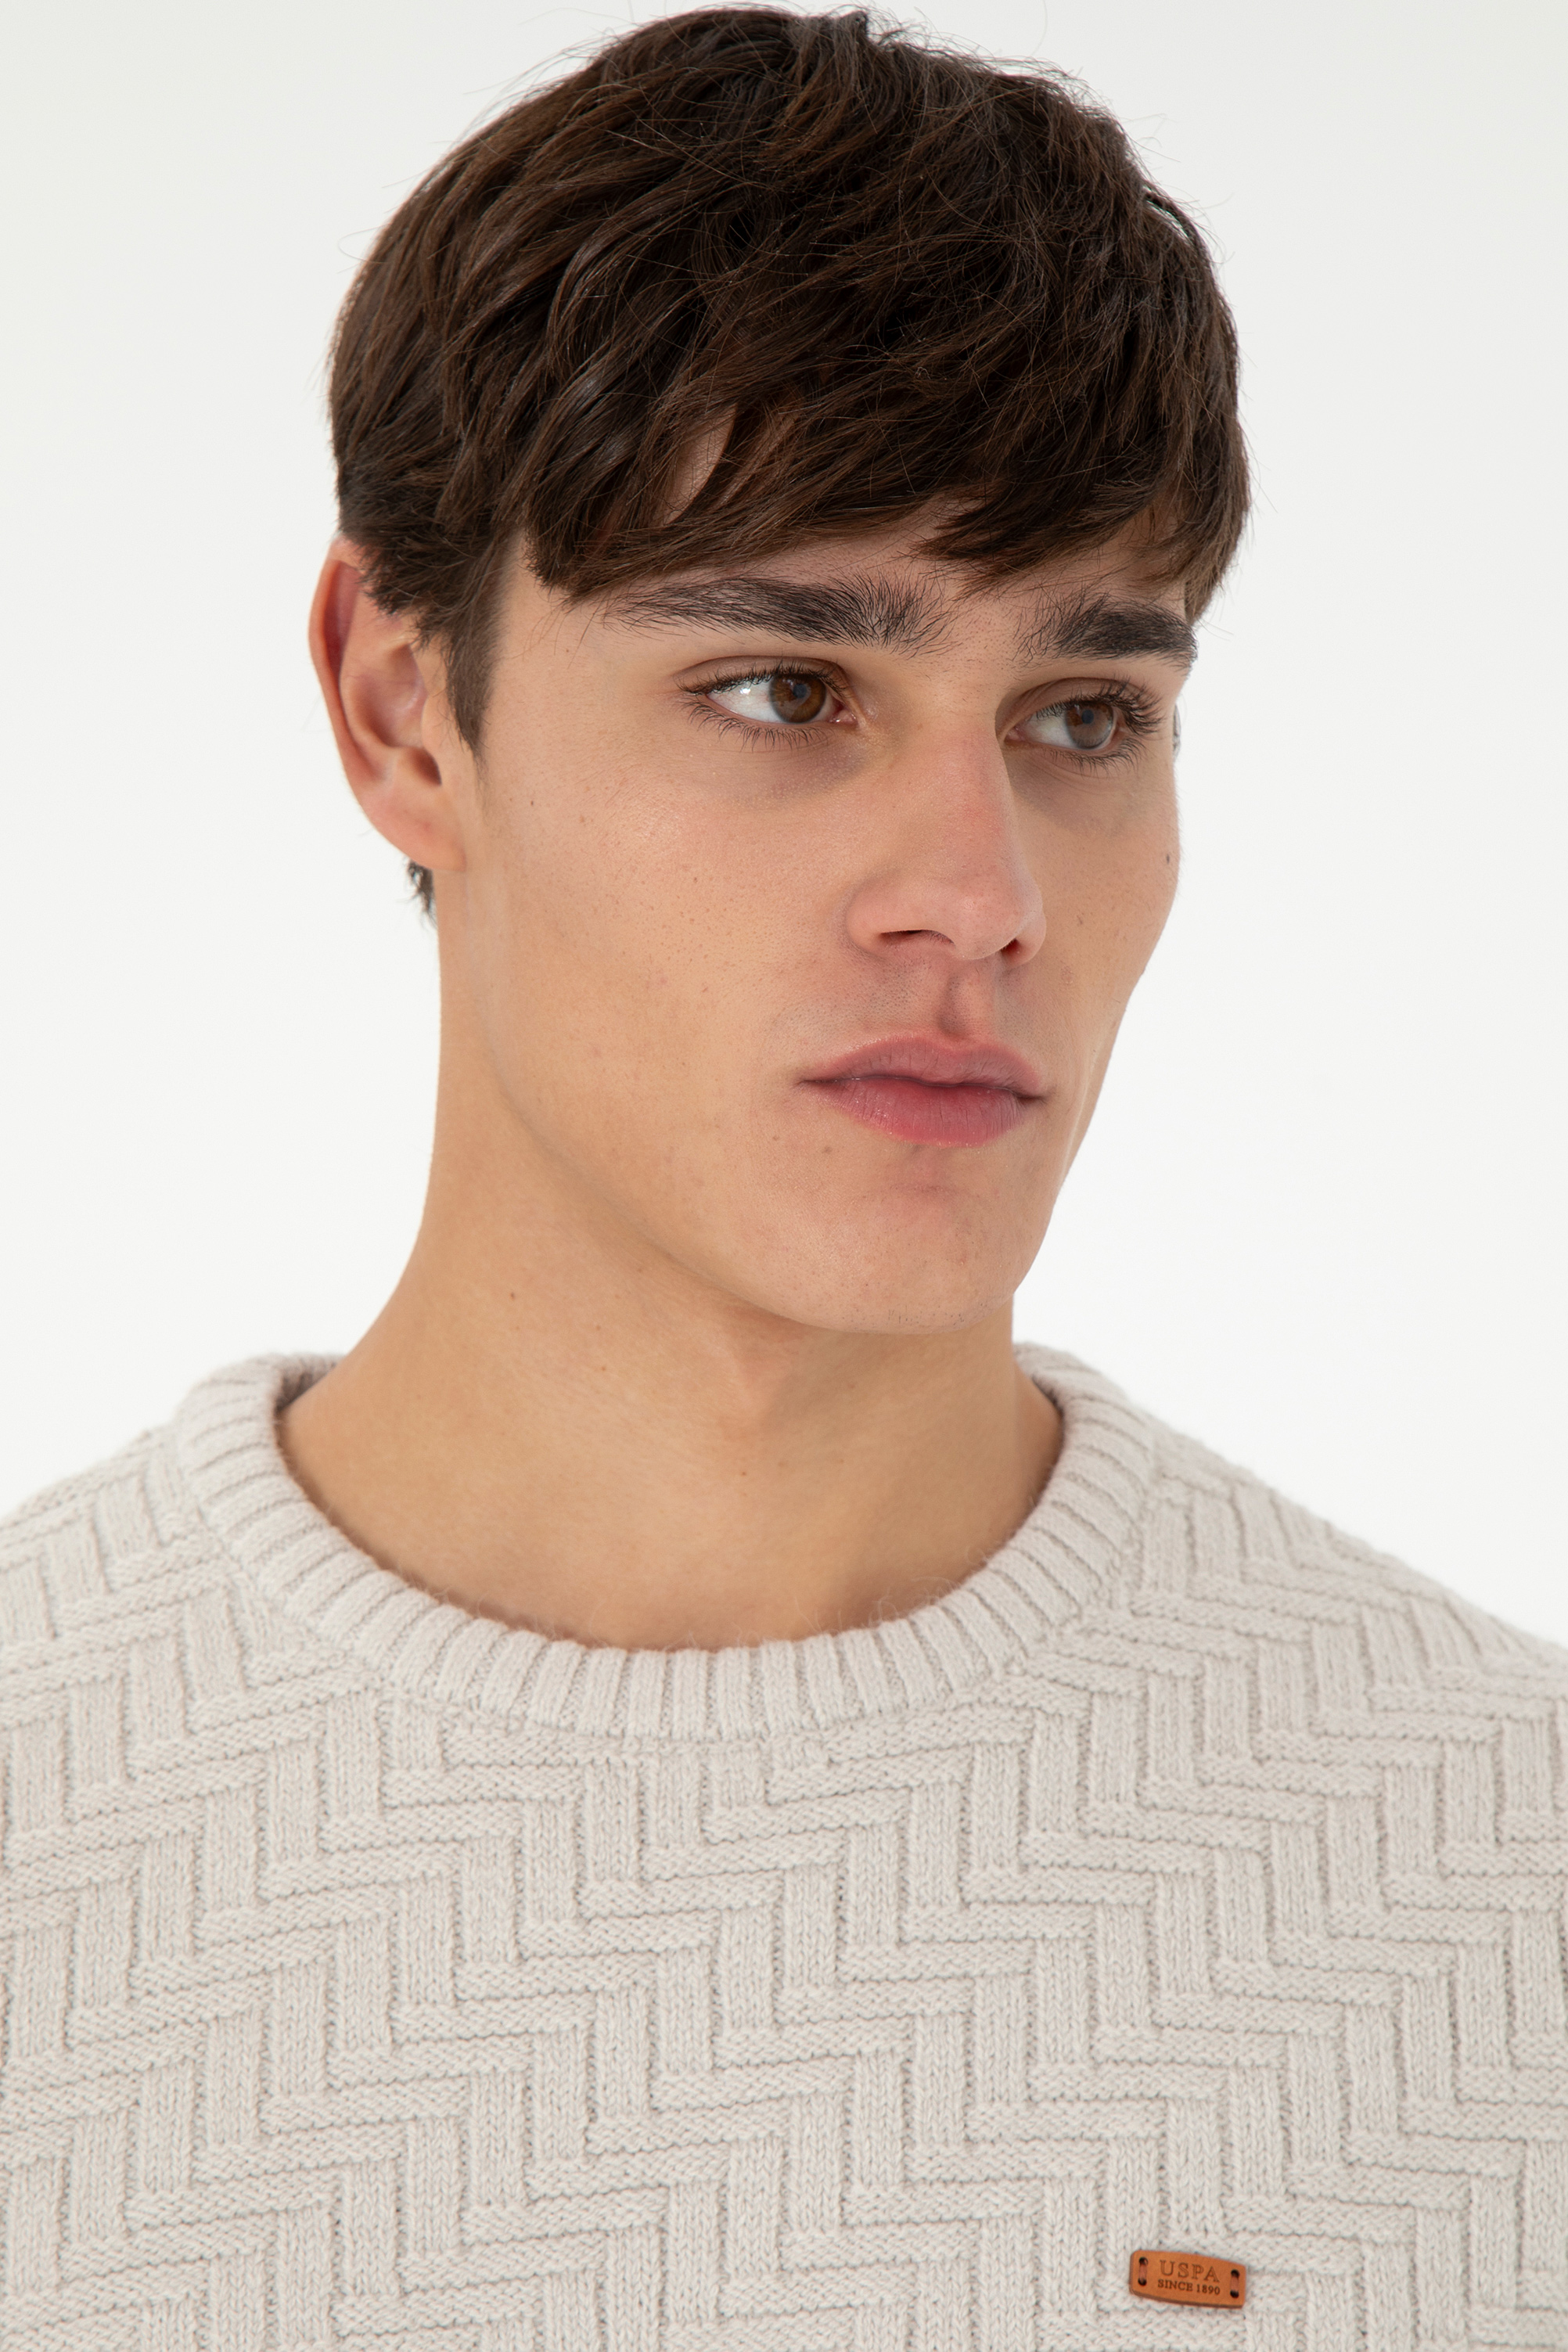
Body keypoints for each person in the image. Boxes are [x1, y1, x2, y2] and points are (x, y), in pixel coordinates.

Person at [1, 10, 1560, 2345]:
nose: (979, 894)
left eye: (1084, 717)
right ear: (403, 711)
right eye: (783, 688)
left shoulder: (1498, 1881)